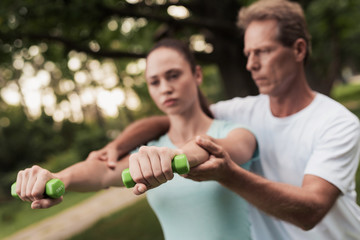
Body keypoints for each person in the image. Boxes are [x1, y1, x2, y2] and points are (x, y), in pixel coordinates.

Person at [91, 0, 360, 239]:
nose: (251, 64)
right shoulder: (243, 111)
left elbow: (310, 211)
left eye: (263, 52)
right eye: (248, 54)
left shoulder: (337, 124)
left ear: (299, 50)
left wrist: (229, 174)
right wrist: (119, 144)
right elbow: (170, 117)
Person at [15, 39, 258, 240]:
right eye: (155, 81)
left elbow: (213, 149)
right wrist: (60, 177)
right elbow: (101, 172)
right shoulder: (150, 151)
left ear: (197, 74)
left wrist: (176, 155)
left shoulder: (235, 132)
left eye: (173, 75)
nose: (165, 88)